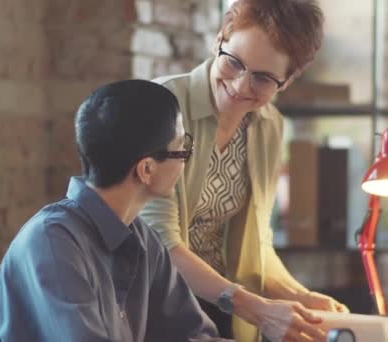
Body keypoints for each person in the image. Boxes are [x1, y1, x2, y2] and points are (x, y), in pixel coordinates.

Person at [140, 1, 349, 341]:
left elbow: (257, 242)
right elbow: (160, 243)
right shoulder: (163, 104)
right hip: (152, 312)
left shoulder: (269, 126)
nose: (240, 86)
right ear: (219, 40)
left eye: (263, 78)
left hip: (223, 309)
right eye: (234, 62)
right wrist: (260, 309)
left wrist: (303, 298)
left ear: (288, 80)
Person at [0, 80, 225, 342]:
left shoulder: (145, 241)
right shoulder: (52, 243)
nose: (187, 159)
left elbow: (195, 336)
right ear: (146, 169)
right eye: (183, 149)